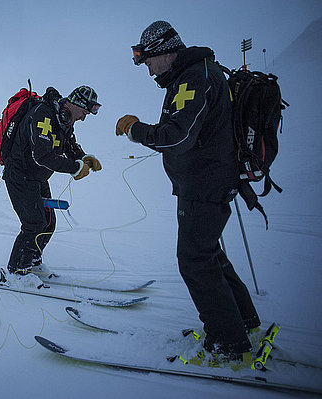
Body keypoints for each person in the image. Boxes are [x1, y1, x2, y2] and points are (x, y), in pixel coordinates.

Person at [115, 21, 261, 360]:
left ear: (166, 53)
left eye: (148, 60)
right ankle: (244, 324)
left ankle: (228, 344)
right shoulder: (197, 73)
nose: (147, 68)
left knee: (194, 261)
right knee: (207, 255)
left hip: (205, 184)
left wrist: (137, 130)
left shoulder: (194, 77)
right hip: (207, 182)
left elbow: (178, 137)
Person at [3, 85, 102, 276]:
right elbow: (43, 156)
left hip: (37, 177)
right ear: (74, 104)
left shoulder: (64, 120)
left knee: (48, 222)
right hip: (20, 175)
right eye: (84, 112)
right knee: (34, 224)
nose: (83, 118)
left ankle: (32, 261)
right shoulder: (43, 114)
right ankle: (17, 271)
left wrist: (84, 158)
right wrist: (75, 168)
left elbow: (69, 145)